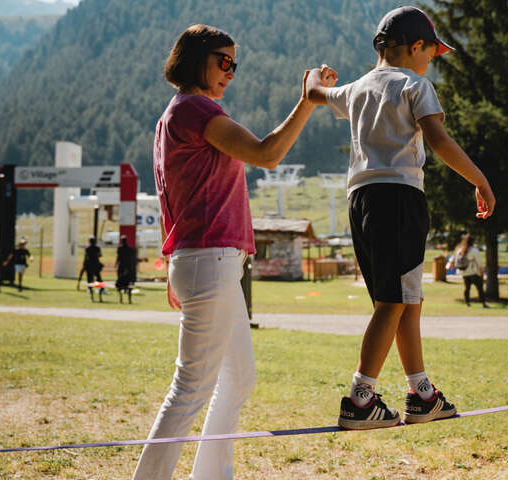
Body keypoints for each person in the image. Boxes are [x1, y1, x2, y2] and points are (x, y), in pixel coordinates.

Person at [132, 25, 336, 480]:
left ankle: (210, 475)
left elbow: (170, 198)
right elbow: (267, 154)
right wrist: (309, 99)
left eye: (234, 64)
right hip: (209, 261)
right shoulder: (197, 110)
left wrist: (172, 265)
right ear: (196, 59)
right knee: (189, 388)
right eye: (224, 62)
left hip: (205, 261)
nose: (231, 72)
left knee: (238, 378)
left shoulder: (173, 115)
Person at [306, 6, 495, 429]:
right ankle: (360, 398)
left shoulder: (356, 90)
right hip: (399, 198)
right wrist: (479, 180)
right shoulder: (415, 84)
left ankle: (421, 393)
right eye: (431, 52)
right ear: (414, 47)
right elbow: (438, 138)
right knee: (393, 302)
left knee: (405, 300)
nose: (431, 61)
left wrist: (315, 77)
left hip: (361, 199)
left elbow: (315, 93)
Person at [451, 234, 488, 308]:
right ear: (473, 241)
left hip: (464, 272)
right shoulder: (474, 250)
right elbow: (479, 262)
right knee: (480, 288)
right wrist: (481, 271)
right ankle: (483, 302)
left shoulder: (460, 250)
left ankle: (467, 302)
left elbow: (454, 258)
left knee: (467, 288)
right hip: (474, 272)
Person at [80, 236, 105, 302]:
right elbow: (100, 255)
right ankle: (100, 296)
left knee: (90, 282)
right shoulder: (97, 248)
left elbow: (85, 257)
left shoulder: (87, 248)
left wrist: (84, 265)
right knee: (99, 280)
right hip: (96, 266)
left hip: (89, 266)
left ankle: (92, 297)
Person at [115, 235, 136, 304]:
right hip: (127, 267)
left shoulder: (119, 248)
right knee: (127, 281)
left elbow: (118, 257)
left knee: (120, 280)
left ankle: (121, 299)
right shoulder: (130, 249)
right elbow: (131, 259)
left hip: (121, 266)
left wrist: (116, 264)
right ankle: (128, 297)